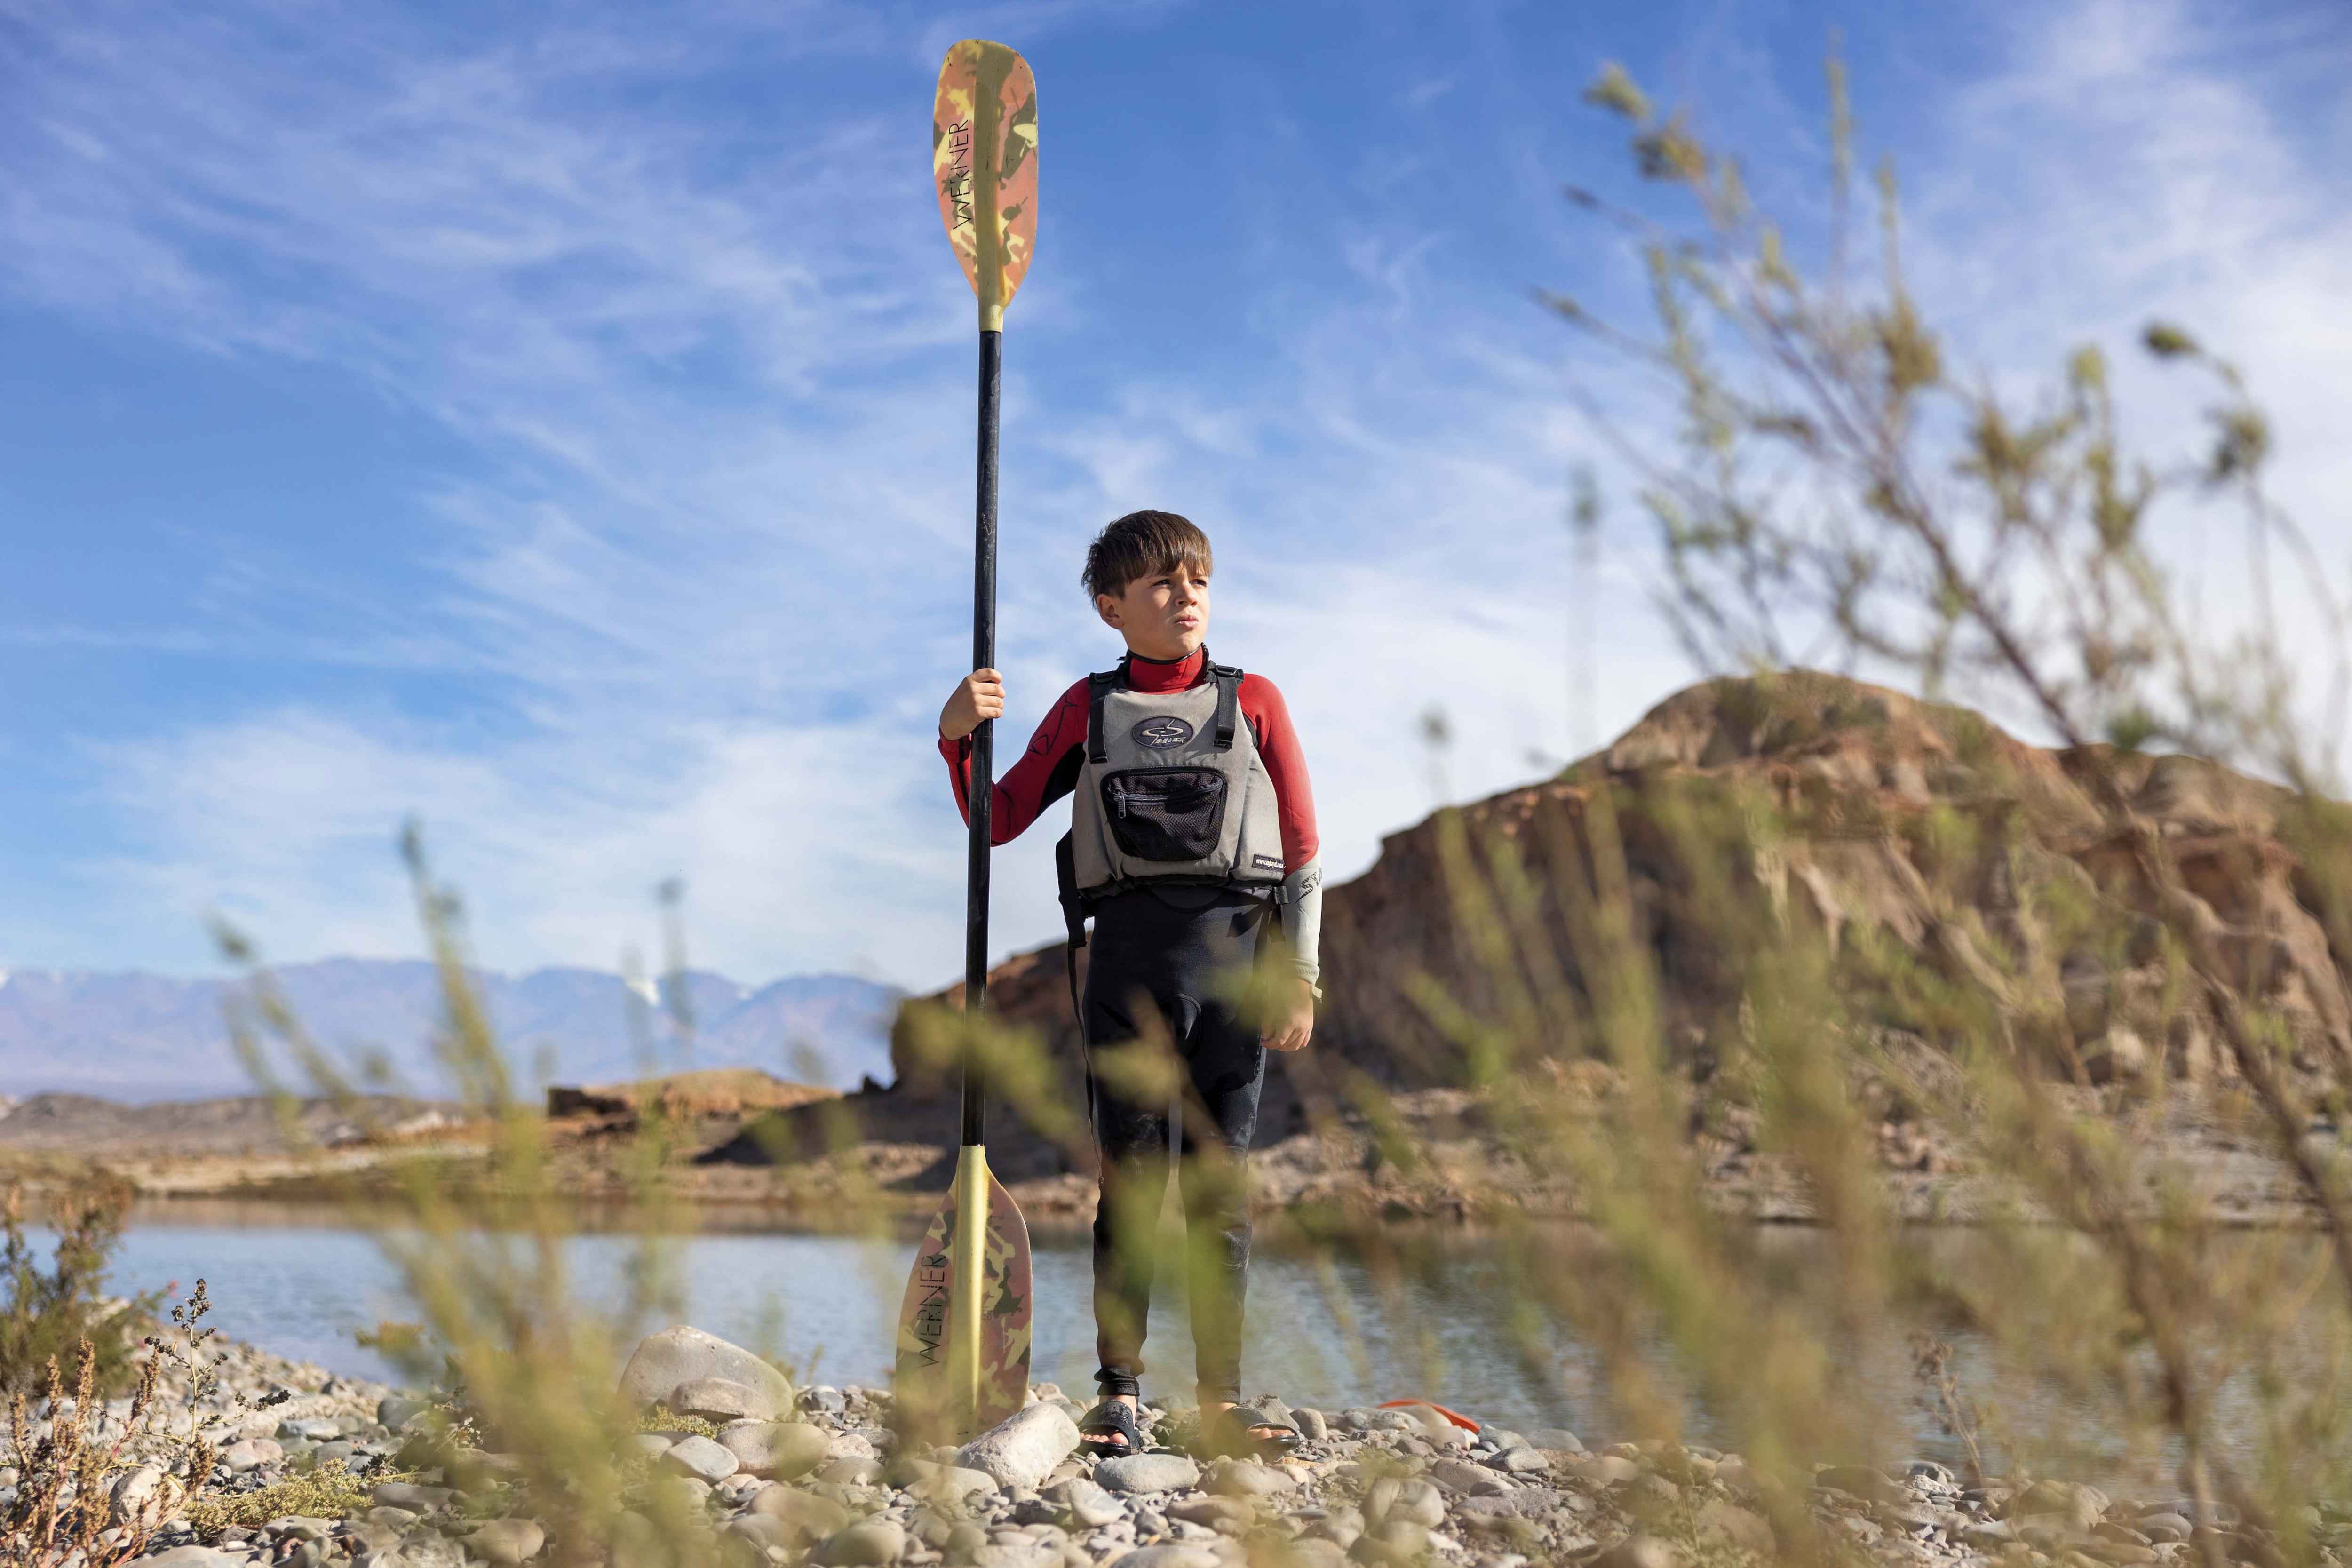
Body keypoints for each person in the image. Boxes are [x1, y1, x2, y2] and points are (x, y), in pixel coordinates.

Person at [937, 509, 1323, 1458]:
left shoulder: (1258, 699)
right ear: (1112, 607)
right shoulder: (1084, 706)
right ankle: (1119, 1391)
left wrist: (1301, 973)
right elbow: (997, 819)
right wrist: (955, 738)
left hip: (1236, 964)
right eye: (1159, 581)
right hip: (1126, 965)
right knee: (1131, 1187)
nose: (1184, 592)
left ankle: (1221, 1398)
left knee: (1220, 1191)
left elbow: (1304, 851)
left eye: (1196, 576)